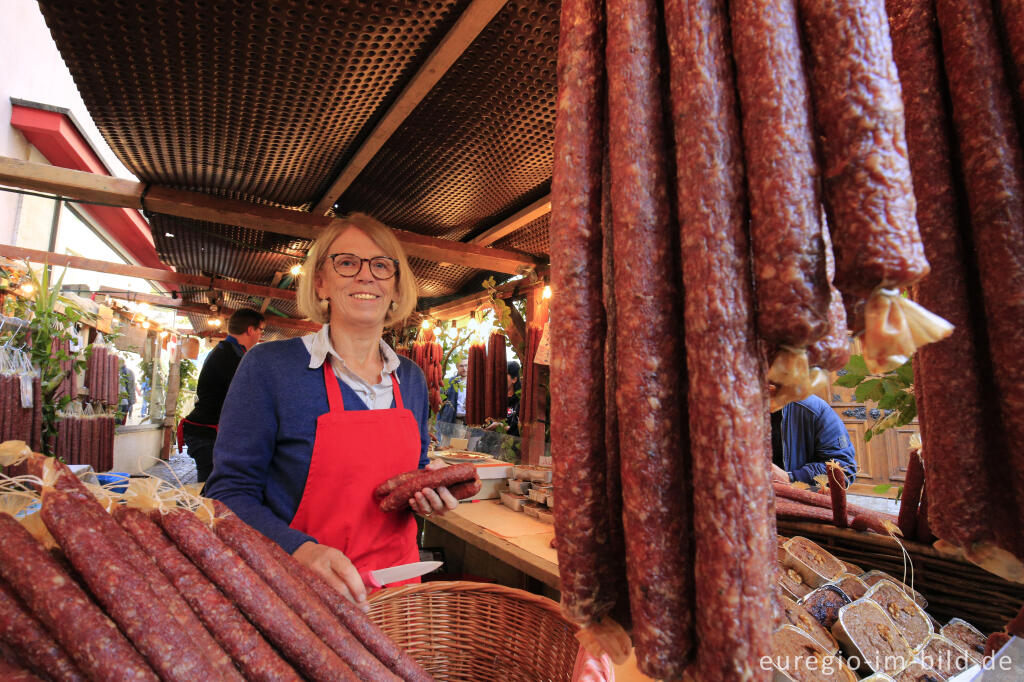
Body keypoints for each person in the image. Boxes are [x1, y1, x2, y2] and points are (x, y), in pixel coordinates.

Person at [204, 214, 457, 611]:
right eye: (347, 262)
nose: (366, 276)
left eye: (380, 265)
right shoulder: (269, 367)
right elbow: (227, 494)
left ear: (394, 285)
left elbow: (416, 469)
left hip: (398, 595)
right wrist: (300, 550)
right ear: (320, 281)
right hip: (299, 591)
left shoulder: (409, 377)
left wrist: (429, 494)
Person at [179, 308, 265, 483]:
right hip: (206, 434)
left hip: (207, 432)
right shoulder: (230, 356)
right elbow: (248, 397)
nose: (260, 335)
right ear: (251, 330)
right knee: (212, 491)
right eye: (260, 330)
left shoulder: (229, 351)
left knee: (215, 490)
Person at [770, 393, 857, 485]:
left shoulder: (815, 409)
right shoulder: (754, 411)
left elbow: (845, 469)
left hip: (799, 495)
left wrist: (792, 477)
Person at [439, 357, 468, 423]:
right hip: (453, 420)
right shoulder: (450, 382)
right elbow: (441, 397)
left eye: (466, 365)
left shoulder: (475, 383)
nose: (464, 368)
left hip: (470, 421)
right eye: (461, 366)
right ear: (457, 367)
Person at [118, 359, 136, 425]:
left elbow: (131, 387)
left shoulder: (120, 372)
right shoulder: (130, 372)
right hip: (125, 401)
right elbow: (132, 388)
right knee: (121, 423)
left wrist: (131, 401)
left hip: (122, 401)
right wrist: (131, 401)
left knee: (119, 424)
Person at [506, 360, 521, 437]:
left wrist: (501, 427)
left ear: (514, 379)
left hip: (511, 445)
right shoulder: (494, 399)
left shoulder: (520, 400)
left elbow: (519, 429)